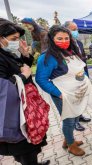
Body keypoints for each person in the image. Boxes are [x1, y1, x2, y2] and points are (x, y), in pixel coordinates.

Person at [36, 25, 92, 156]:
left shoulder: (70, 52)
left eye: (66, 38)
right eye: (60, 38)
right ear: (51, 39)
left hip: (76, 93)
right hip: (63, 95)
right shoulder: (47, 57)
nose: (64, 41)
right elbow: (41, 79)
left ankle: (67, 140)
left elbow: (77, 70)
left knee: (76, 116)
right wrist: (59, 94)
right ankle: (71, 146)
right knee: (69, 120)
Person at [0, 18, 49, 165]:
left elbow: (20, 66)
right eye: (13, 39)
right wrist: (23, 76)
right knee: (24, 147)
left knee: (31, 144)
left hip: (25, 106)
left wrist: (25, 55)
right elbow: (3, 87)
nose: (17, 41)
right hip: (14, 113)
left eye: (18, 38)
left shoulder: (6, 52)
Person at [64, 21, 91, 131]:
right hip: (72, 77)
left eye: (76, 29)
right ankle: (75, 122)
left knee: (81, 98)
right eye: (73, 29)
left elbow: (81, 57)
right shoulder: (66, 44)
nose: (76, 32)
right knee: (74, 100)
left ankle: (80, 116)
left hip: (82, 73)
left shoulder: (78, 43)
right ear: (67, 30)